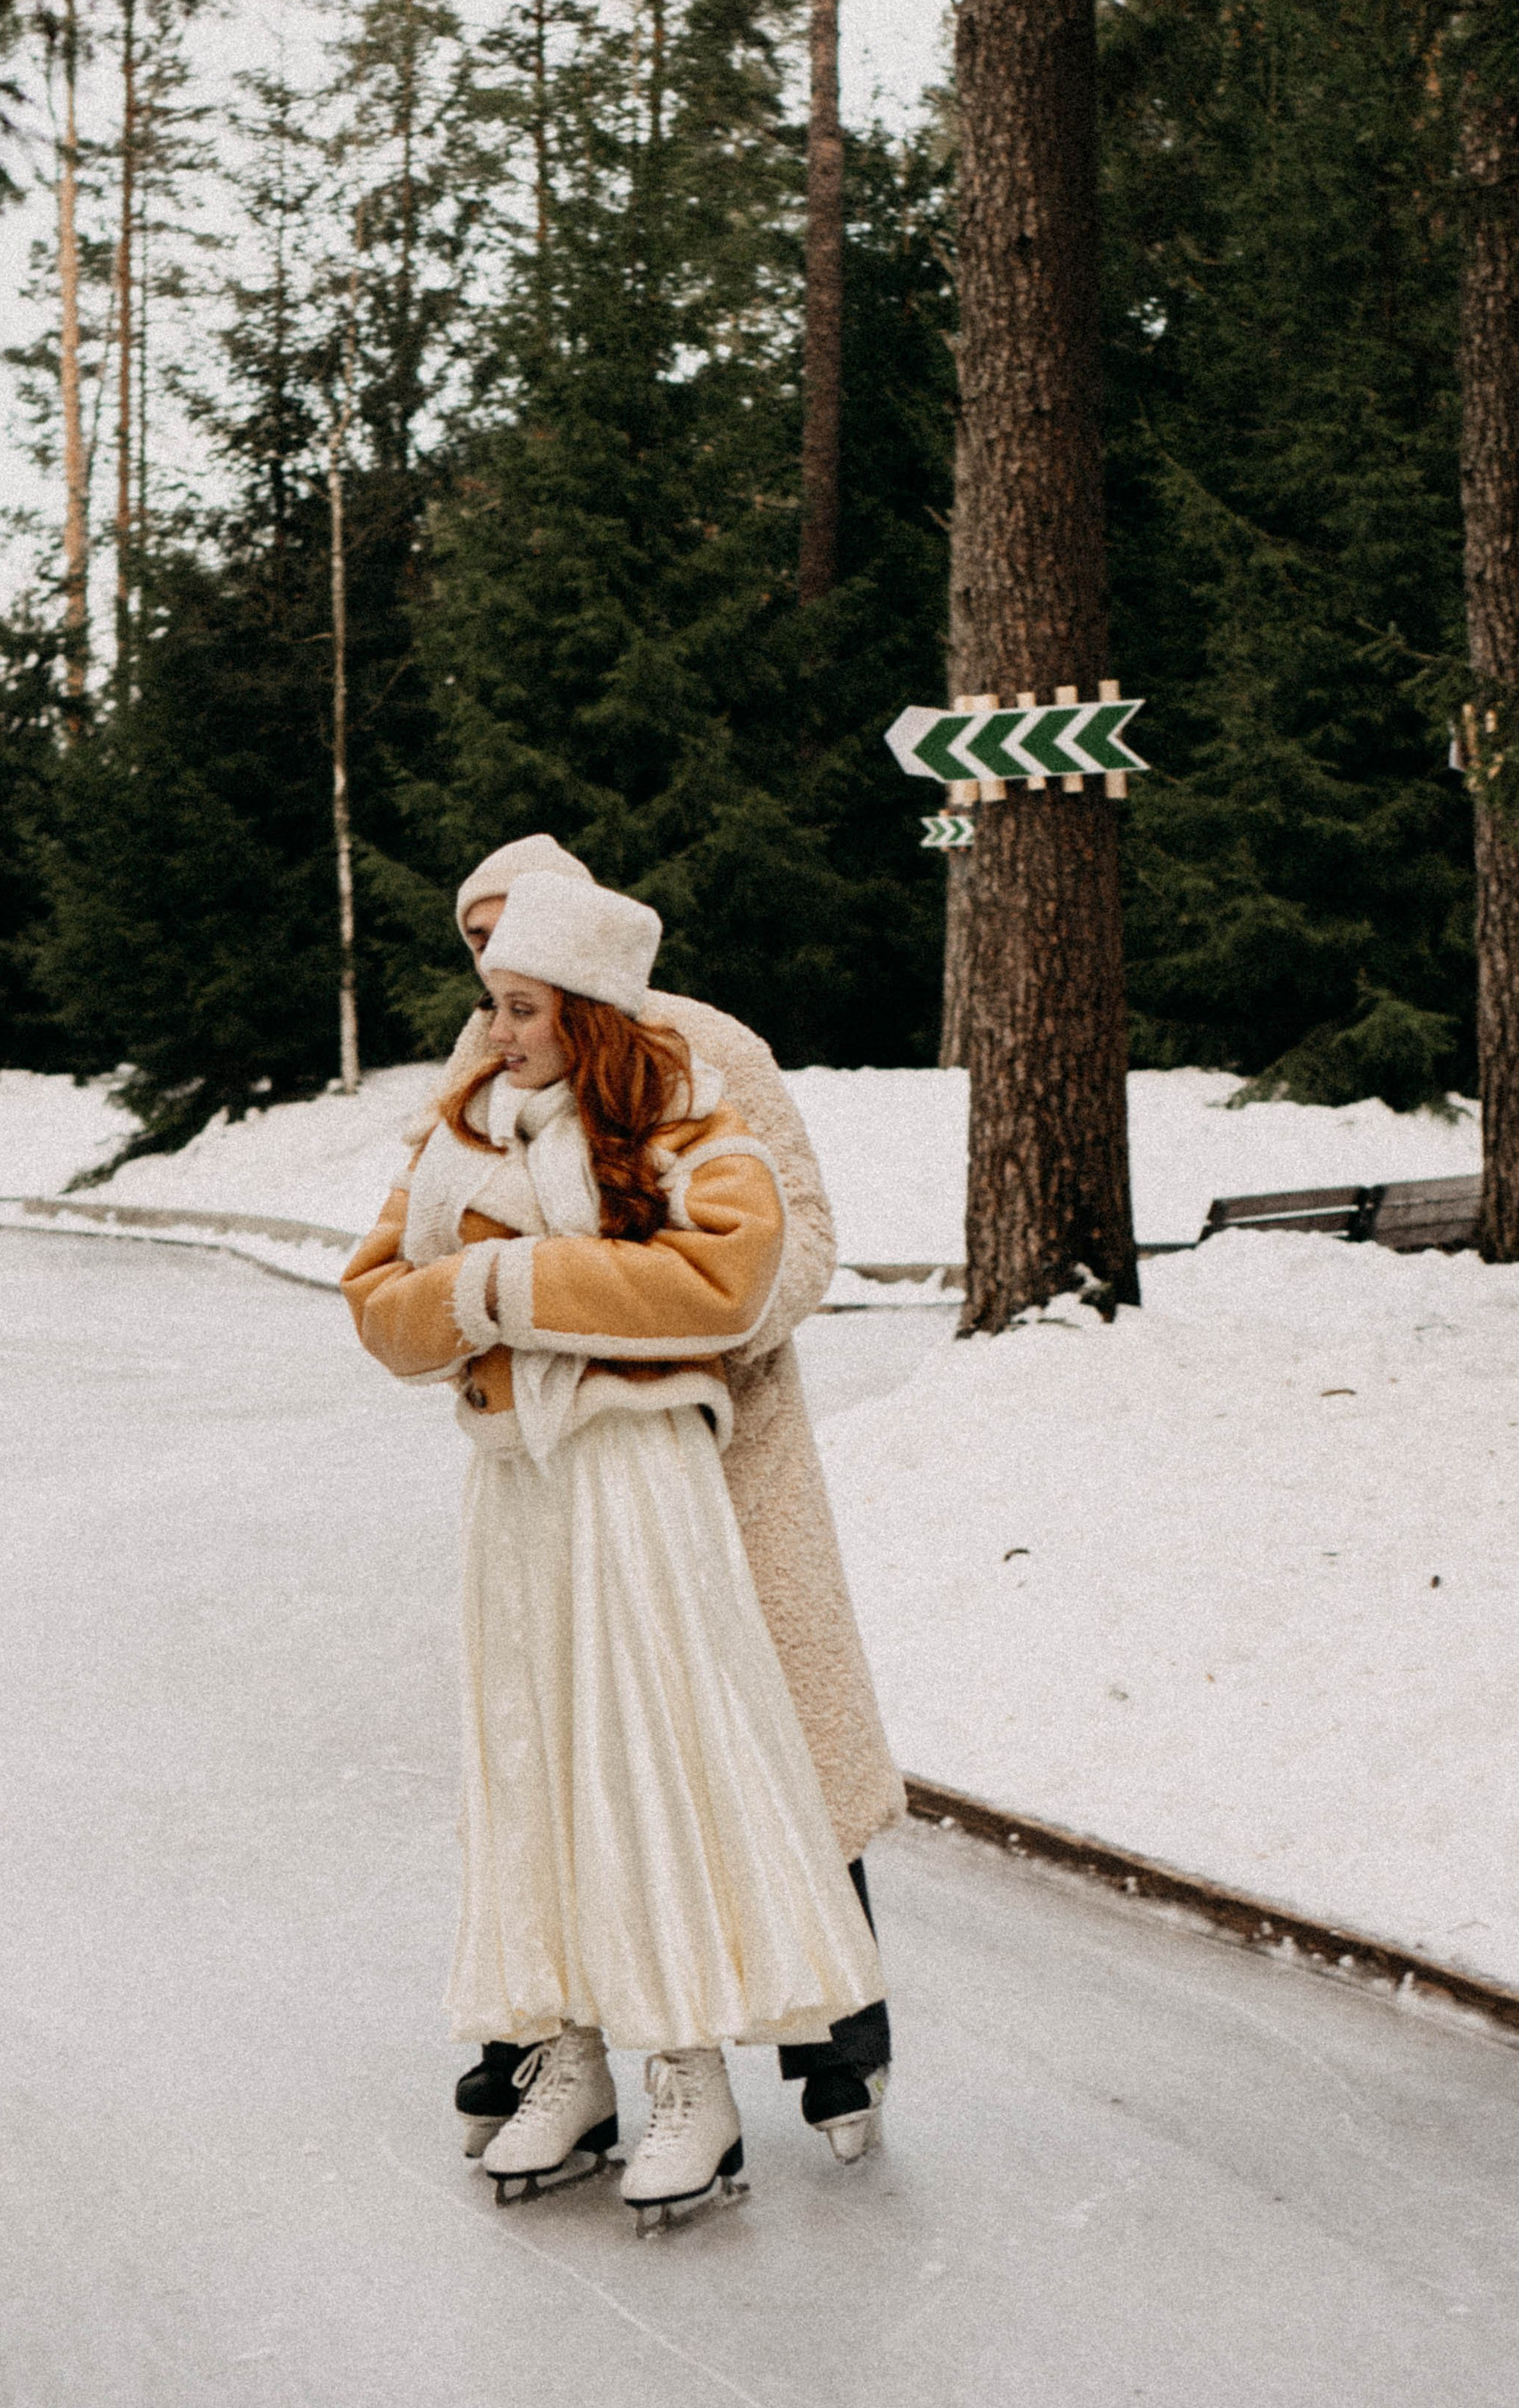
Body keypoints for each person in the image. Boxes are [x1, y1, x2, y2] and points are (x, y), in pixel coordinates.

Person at [342, 872, 887, 2225]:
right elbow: (378, 1296)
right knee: (538, 1757)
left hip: (664, 1472)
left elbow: (747, 1269)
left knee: (678, 1752)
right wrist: (468, 1296)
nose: (489, 1014)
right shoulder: (467, 1112)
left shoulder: (693, 1088)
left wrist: (510, 1288)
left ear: (576, 987)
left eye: (512, 989)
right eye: (480, 979)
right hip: (520, 1482)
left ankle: (722, 2069)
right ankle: (566, 2051)